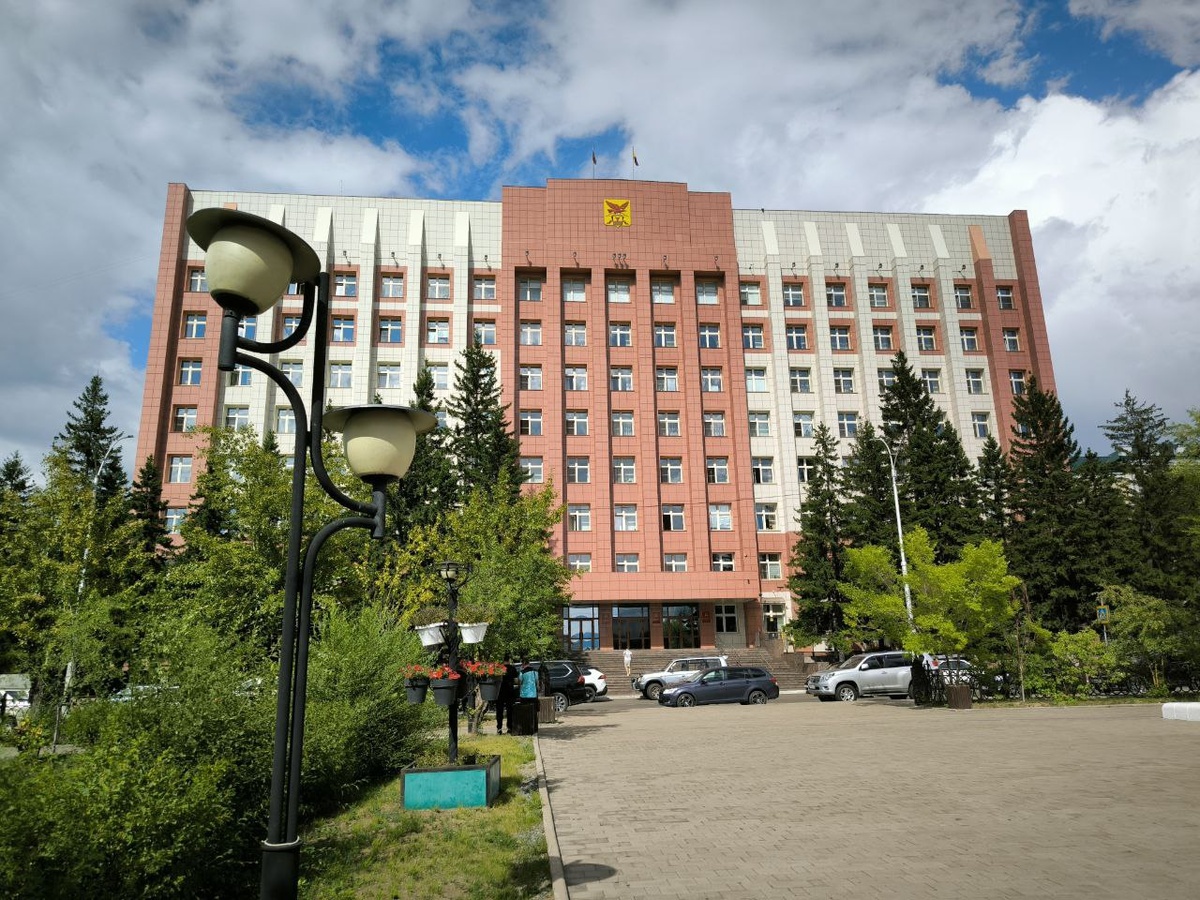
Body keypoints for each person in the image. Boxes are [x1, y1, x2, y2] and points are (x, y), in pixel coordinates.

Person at [496, 655, 518, 735]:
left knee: (499, 710)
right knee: (510, 710)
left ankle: (499, 728)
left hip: (500, 691)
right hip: (510, 691)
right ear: (509, 660)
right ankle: (509, 728)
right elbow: (516, 680)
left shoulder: (499, 669)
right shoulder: (513, 669)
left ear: (503, 660)